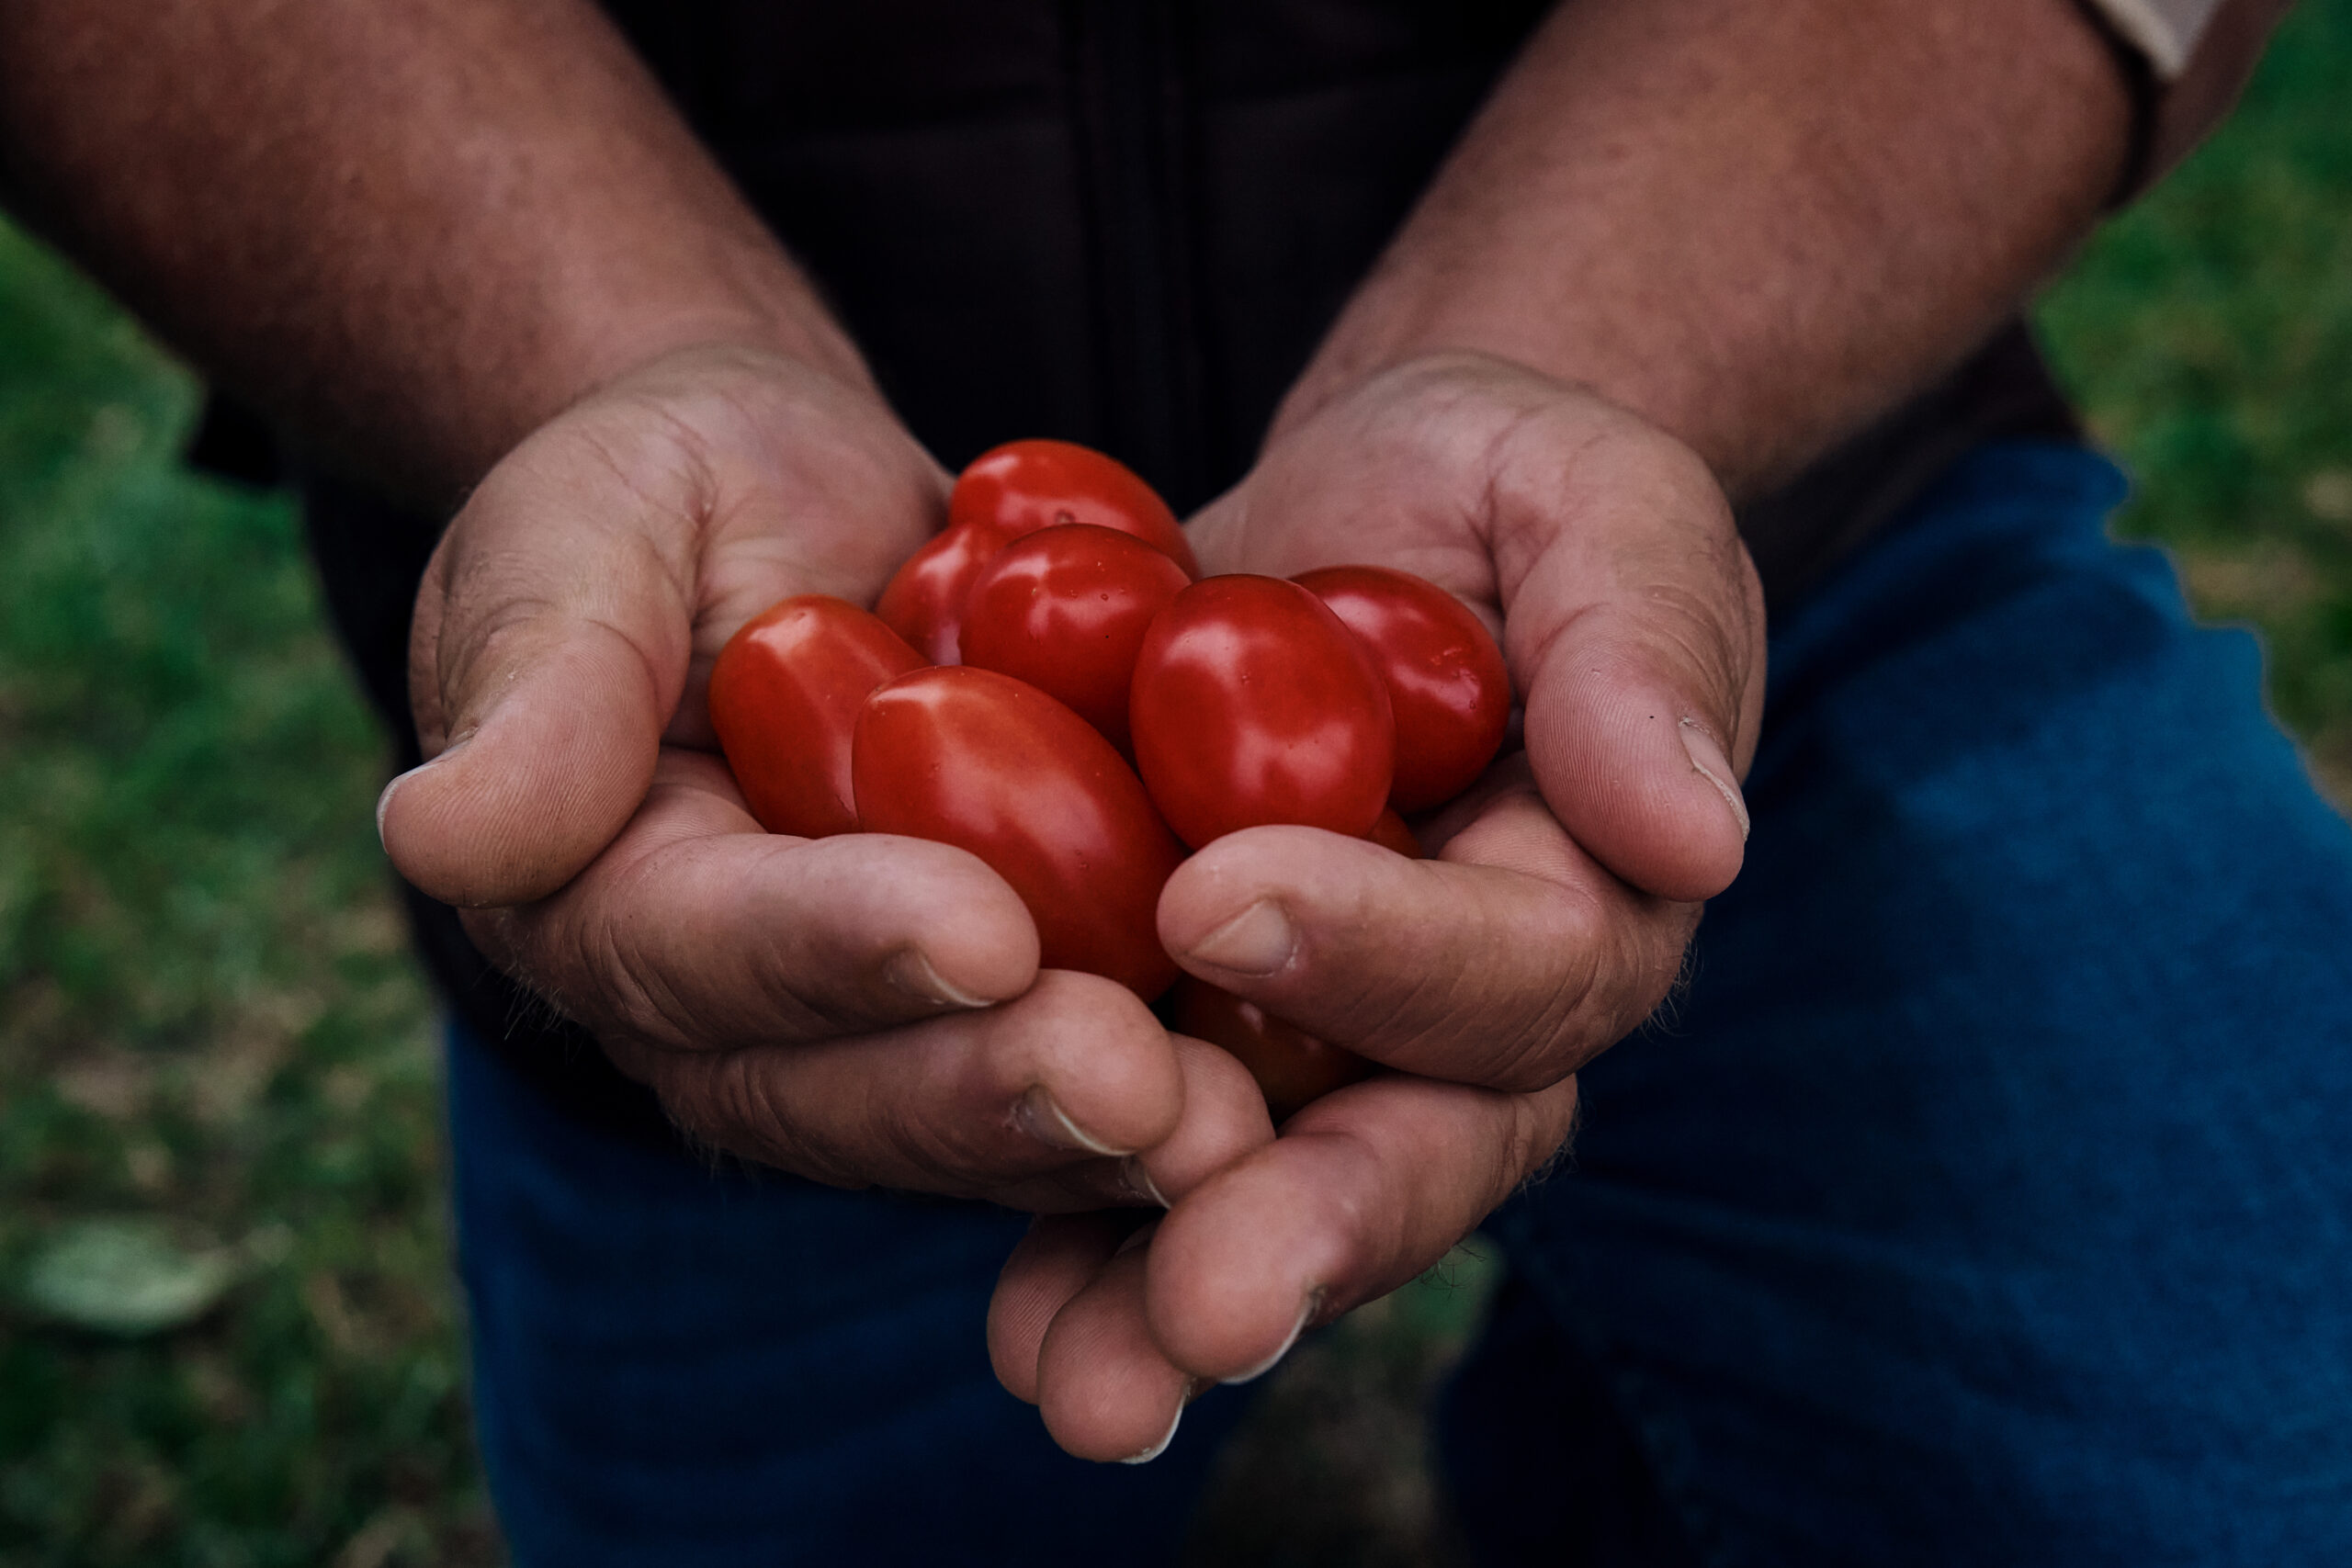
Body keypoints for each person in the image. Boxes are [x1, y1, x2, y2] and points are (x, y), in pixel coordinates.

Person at [3, 0, 2346, 1561]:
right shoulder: (886, 687)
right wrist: (608, 359)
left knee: (2240, 1477)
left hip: (1790, 524)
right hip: (710, 782)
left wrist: (1580, 359)